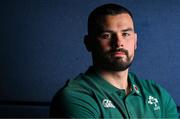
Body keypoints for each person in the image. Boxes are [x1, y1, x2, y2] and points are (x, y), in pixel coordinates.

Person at [49, 3, 178, 118]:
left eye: (126, 34)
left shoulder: (158, 95)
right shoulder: (76, 97)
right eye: (107, 35)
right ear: (89, 43)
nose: (118, 43)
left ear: (135, 41)